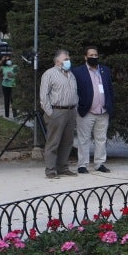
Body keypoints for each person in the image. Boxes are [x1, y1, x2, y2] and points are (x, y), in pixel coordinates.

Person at [72, 46, 114, 174]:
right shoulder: (78, 71)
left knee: (101, 139)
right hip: (86, 111)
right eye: (91, 55)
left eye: (96, 55)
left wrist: (110, 104)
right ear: (85, 57)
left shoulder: (105, 70)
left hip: (103, 111)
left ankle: (100, 163)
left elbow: (109, 89)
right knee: (84, 139)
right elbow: (74, 90)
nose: (94, 57)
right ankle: (82, 164)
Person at [39, 50, 78, 179]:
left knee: (67, 142)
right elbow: (44, 96)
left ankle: (63, 167)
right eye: (65, 59)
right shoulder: (49, 74)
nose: (68, 61)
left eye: (69, 58)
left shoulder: (71, 74)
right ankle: (50, 169)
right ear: (57, 61)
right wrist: (50, 113)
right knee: (53, 142)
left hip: (71, 111)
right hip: (57, 111)